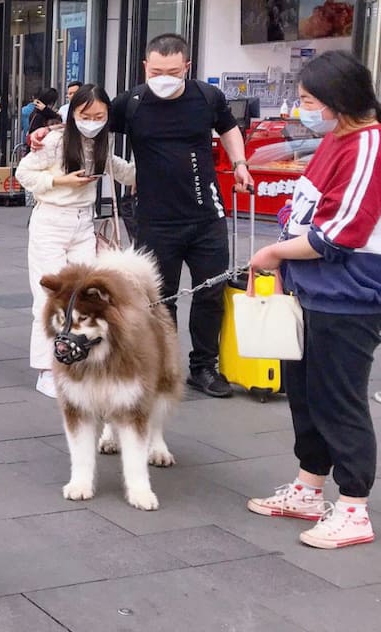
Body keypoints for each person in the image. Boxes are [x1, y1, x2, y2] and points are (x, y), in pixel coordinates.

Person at [246, 51, 381, 550]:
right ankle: (309, 485)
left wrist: (275, 251)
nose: (301, 109)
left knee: (339, 399)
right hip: (312, 289)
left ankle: (353, 506)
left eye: (307, 101)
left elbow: (339, 234)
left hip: (350, 296)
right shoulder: (335, 140)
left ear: (338, 101)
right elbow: (306, 212)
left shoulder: (368, 145)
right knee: (305, 394)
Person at [111, 33, 253, 397]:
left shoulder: (207, 97)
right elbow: (91, 123)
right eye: (157, 70)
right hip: (156, 220)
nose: (164, 77)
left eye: (173, 71)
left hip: (207, 215)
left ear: (186, 68)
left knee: (211, 291)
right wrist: (52, 133)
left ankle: (204, 367)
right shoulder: (133, 103)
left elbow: (229, 129)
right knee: (161, 298)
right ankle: (163, 366)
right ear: (145, 66)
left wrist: (240, 164)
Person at [16, 84, 137, 398]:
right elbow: (23, 173)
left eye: (99, 115)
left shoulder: (102, 143)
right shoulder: (55, 141)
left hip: (83, 224)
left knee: (83, 297)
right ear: (74, 114)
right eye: (86, 115)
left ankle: (75, 359)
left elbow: (120, 169)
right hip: (51, 222)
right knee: (49, 296)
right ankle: (47, 369)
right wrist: (60, 180)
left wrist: (150, 171)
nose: (93, 121)